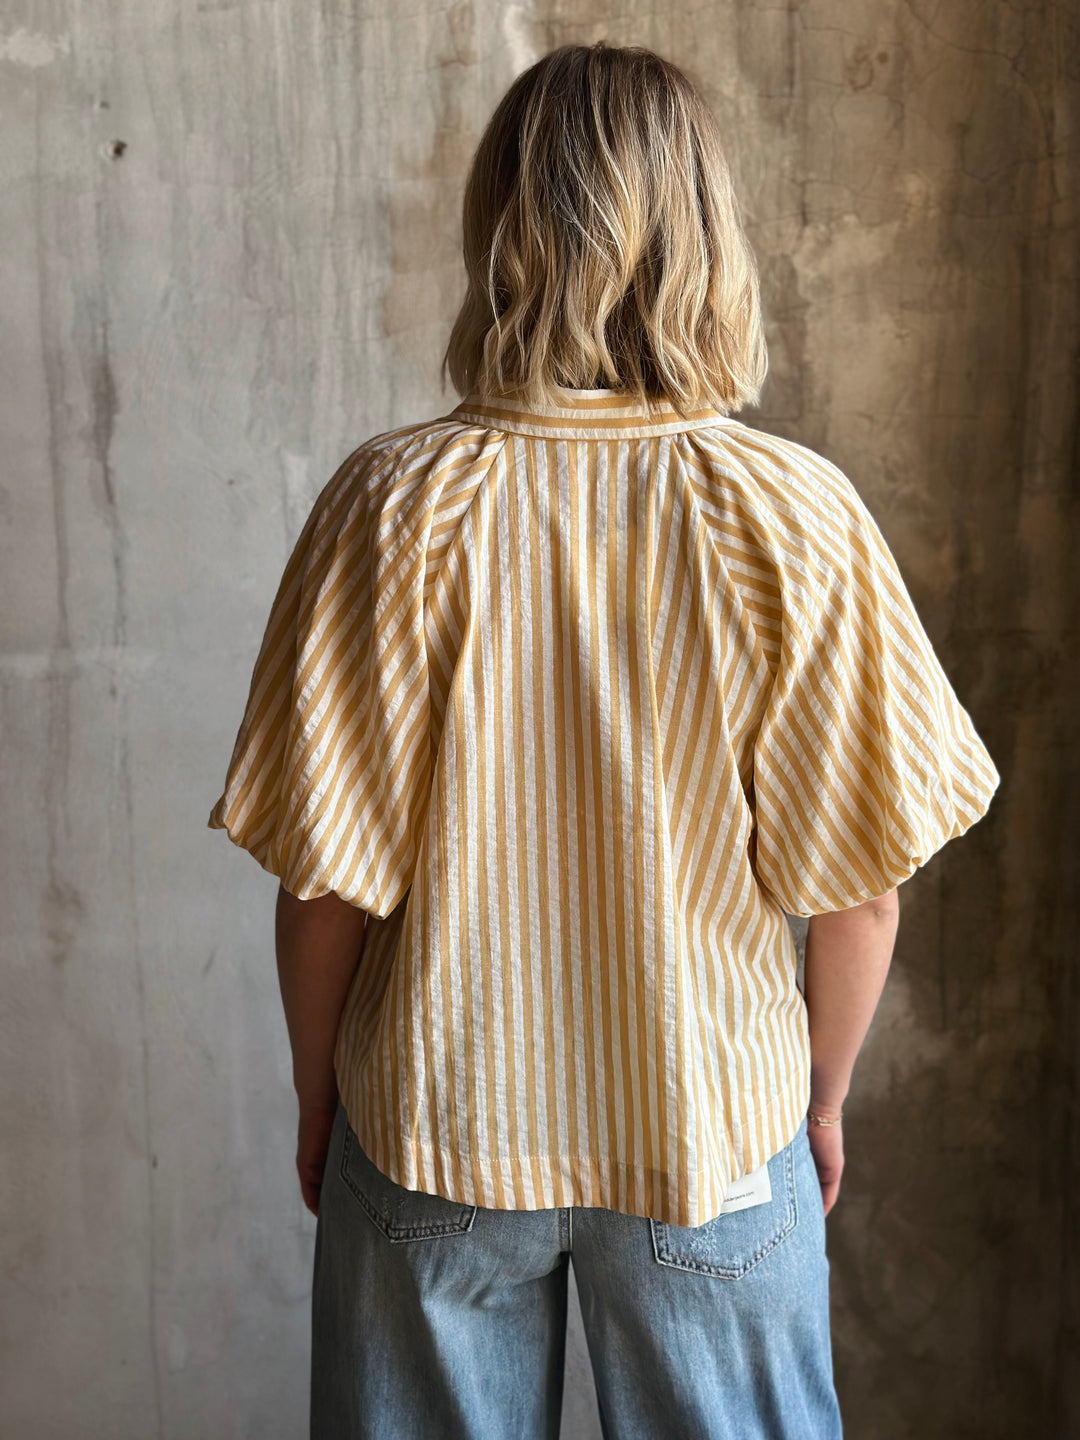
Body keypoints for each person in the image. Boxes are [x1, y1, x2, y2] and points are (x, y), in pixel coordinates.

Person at [208, 40, 1000, 1440]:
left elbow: (324, 881)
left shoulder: (392, 508)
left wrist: (316, 1084)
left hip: (439, 1131)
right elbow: (861, 888)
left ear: (499, 232)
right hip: (713, 1141)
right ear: (708, 242)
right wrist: (817, 1102)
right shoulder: (791, 515)